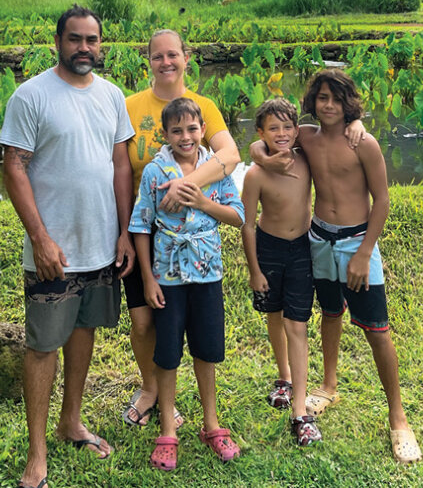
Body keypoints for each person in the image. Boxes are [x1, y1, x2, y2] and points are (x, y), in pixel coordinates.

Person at [250, 69, 422, 464]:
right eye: (322, 98)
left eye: (337, 99)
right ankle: (328, 386)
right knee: (329, 314)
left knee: (377, 330)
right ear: (313, 101)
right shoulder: (306, 138)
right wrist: (259, 153)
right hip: (318, 240)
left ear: (350, 103)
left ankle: (398, 416)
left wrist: (364, 253)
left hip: (355, 243)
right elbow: (261, 145)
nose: (329, 106)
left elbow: (381, 200)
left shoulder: (364, 142)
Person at [0, 5, 136, 488]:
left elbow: (120, 164)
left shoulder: (112, 95)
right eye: (75, 39)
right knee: (43, 345)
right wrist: (40, 238)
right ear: (57, 40)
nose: (84, 48)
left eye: (92, 40)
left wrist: (124, 231)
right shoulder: (31, 95)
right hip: (53, 249)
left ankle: (70, 421)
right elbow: (13, 167)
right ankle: (37, 454)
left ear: (102, 45)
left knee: (84, 331)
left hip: (101, 243)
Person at [120, 29, 241, 430]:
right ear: (148, 60)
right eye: (158, 56)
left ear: (186, 58)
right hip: (145, 227)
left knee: (186, 326)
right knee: (142, 321)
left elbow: (230, 155)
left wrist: (184, 187)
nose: (166, 62)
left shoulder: (203, 106)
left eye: (173, 54)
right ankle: (150, 388)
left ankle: (187, 407)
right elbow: (121, 169)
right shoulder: (130, 105)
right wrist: (124, 227)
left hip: (193, 228)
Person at [128, 98, 245, 471]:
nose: (185, 136)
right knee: (167, 352)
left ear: (202, 131)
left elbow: (238, 217)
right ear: (165, 134)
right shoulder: (154, 172)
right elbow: (141, 226)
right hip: (167, 276)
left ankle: (211, 424)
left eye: (192, 129)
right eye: (176, 130)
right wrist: (147, 278)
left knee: (207, 349)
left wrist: (203, 202)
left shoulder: (216, 170)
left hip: (208, 273)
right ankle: (167, 430)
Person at [241, 98, 321, 446]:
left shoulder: (306, 159)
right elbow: (246, 225)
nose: (282, 133)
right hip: (269, 248)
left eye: (288, 127)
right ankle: (283, 378)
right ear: (261, 132)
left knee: (297, 324)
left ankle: (300, 411)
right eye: (273, 128)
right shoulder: (255, 174)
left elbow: (327, 138)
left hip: (303, 248)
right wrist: (253, 269)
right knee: (274, 316)